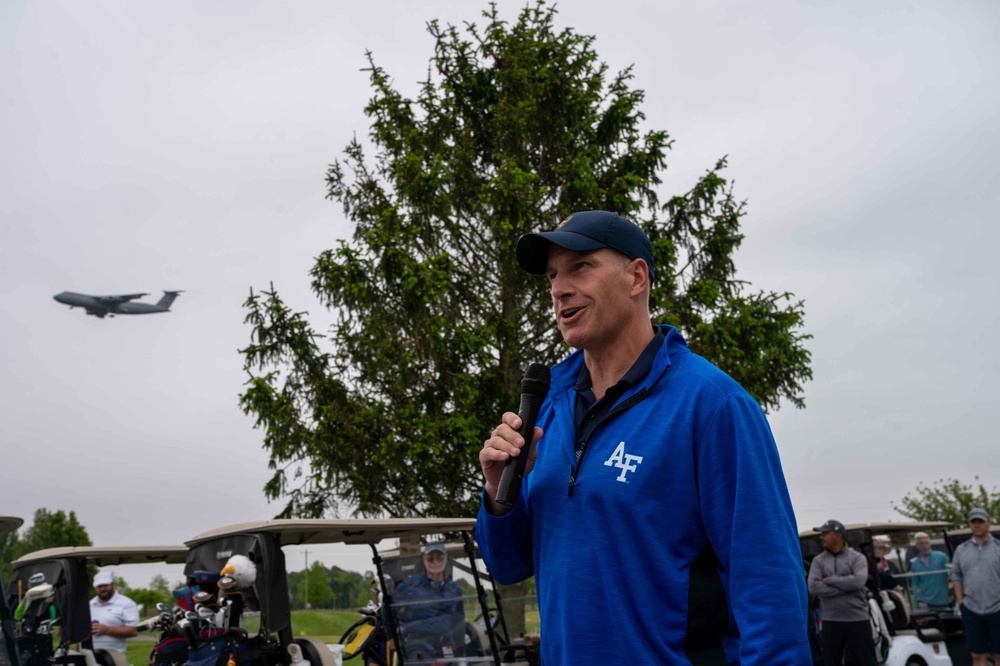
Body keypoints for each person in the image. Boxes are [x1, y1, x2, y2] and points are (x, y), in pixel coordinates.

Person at [477, 210, 810, 665]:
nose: (559, 289)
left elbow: (768, 586)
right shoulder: (548, 408)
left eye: (580, 267)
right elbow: (508, 566)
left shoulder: (713, 406)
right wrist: (499, 497)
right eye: (553, 275)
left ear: (636, 278)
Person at [807, 519, 878, 666]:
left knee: (867, 662)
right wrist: (846, 584)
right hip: (831, 622)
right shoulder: (818, 561)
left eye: (825, 533)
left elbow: (858, 582)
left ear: (838, 536)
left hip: (857, 621)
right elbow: (813, 587)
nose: (821, 537)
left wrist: (828, 580)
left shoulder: (857, 558)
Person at [389, 543, 465, 659]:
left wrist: (461, 650)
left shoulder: (454, 589)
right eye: (430, 558)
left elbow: (459, 621)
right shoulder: (410, 586)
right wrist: (392, 637)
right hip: (417, 645)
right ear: (424, 560)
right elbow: (387, 608)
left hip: (445, 645)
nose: (435, 562)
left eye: (439, 558)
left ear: (445, 558)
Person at [951, 508, 1000, 666]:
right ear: (970, 525)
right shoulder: (961, 550)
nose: (977, 525)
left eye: (981, 522)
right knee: (977, 655)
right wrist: (961, 602)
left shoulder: (998, 547)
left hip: (997, 608)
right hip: (971, 609)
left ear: (989, 523)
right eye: (974, 522)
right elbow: (956, 576)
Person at [89, 571, 139, 652]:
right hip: (90, 656)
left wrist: (107, 630)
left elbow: (133, 631)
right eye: (99, 586)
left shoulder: (127, 604)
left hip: (114, 657)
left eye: (105, 585)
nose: (102, 589)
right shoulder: (89, 605)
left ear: (112, 584)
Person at [909, 531, 951, 610]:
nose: (924, 545)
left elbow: (952, 575)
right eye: (921, 543)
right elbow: (915, 584)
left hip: (943, 600)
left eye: (926, 542)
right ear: (917, 545)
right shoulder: (915, 563)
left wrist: (951, 594)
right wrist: (918, 600)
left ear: (930, 543)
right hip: (925, 601)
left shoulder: (942, 557)